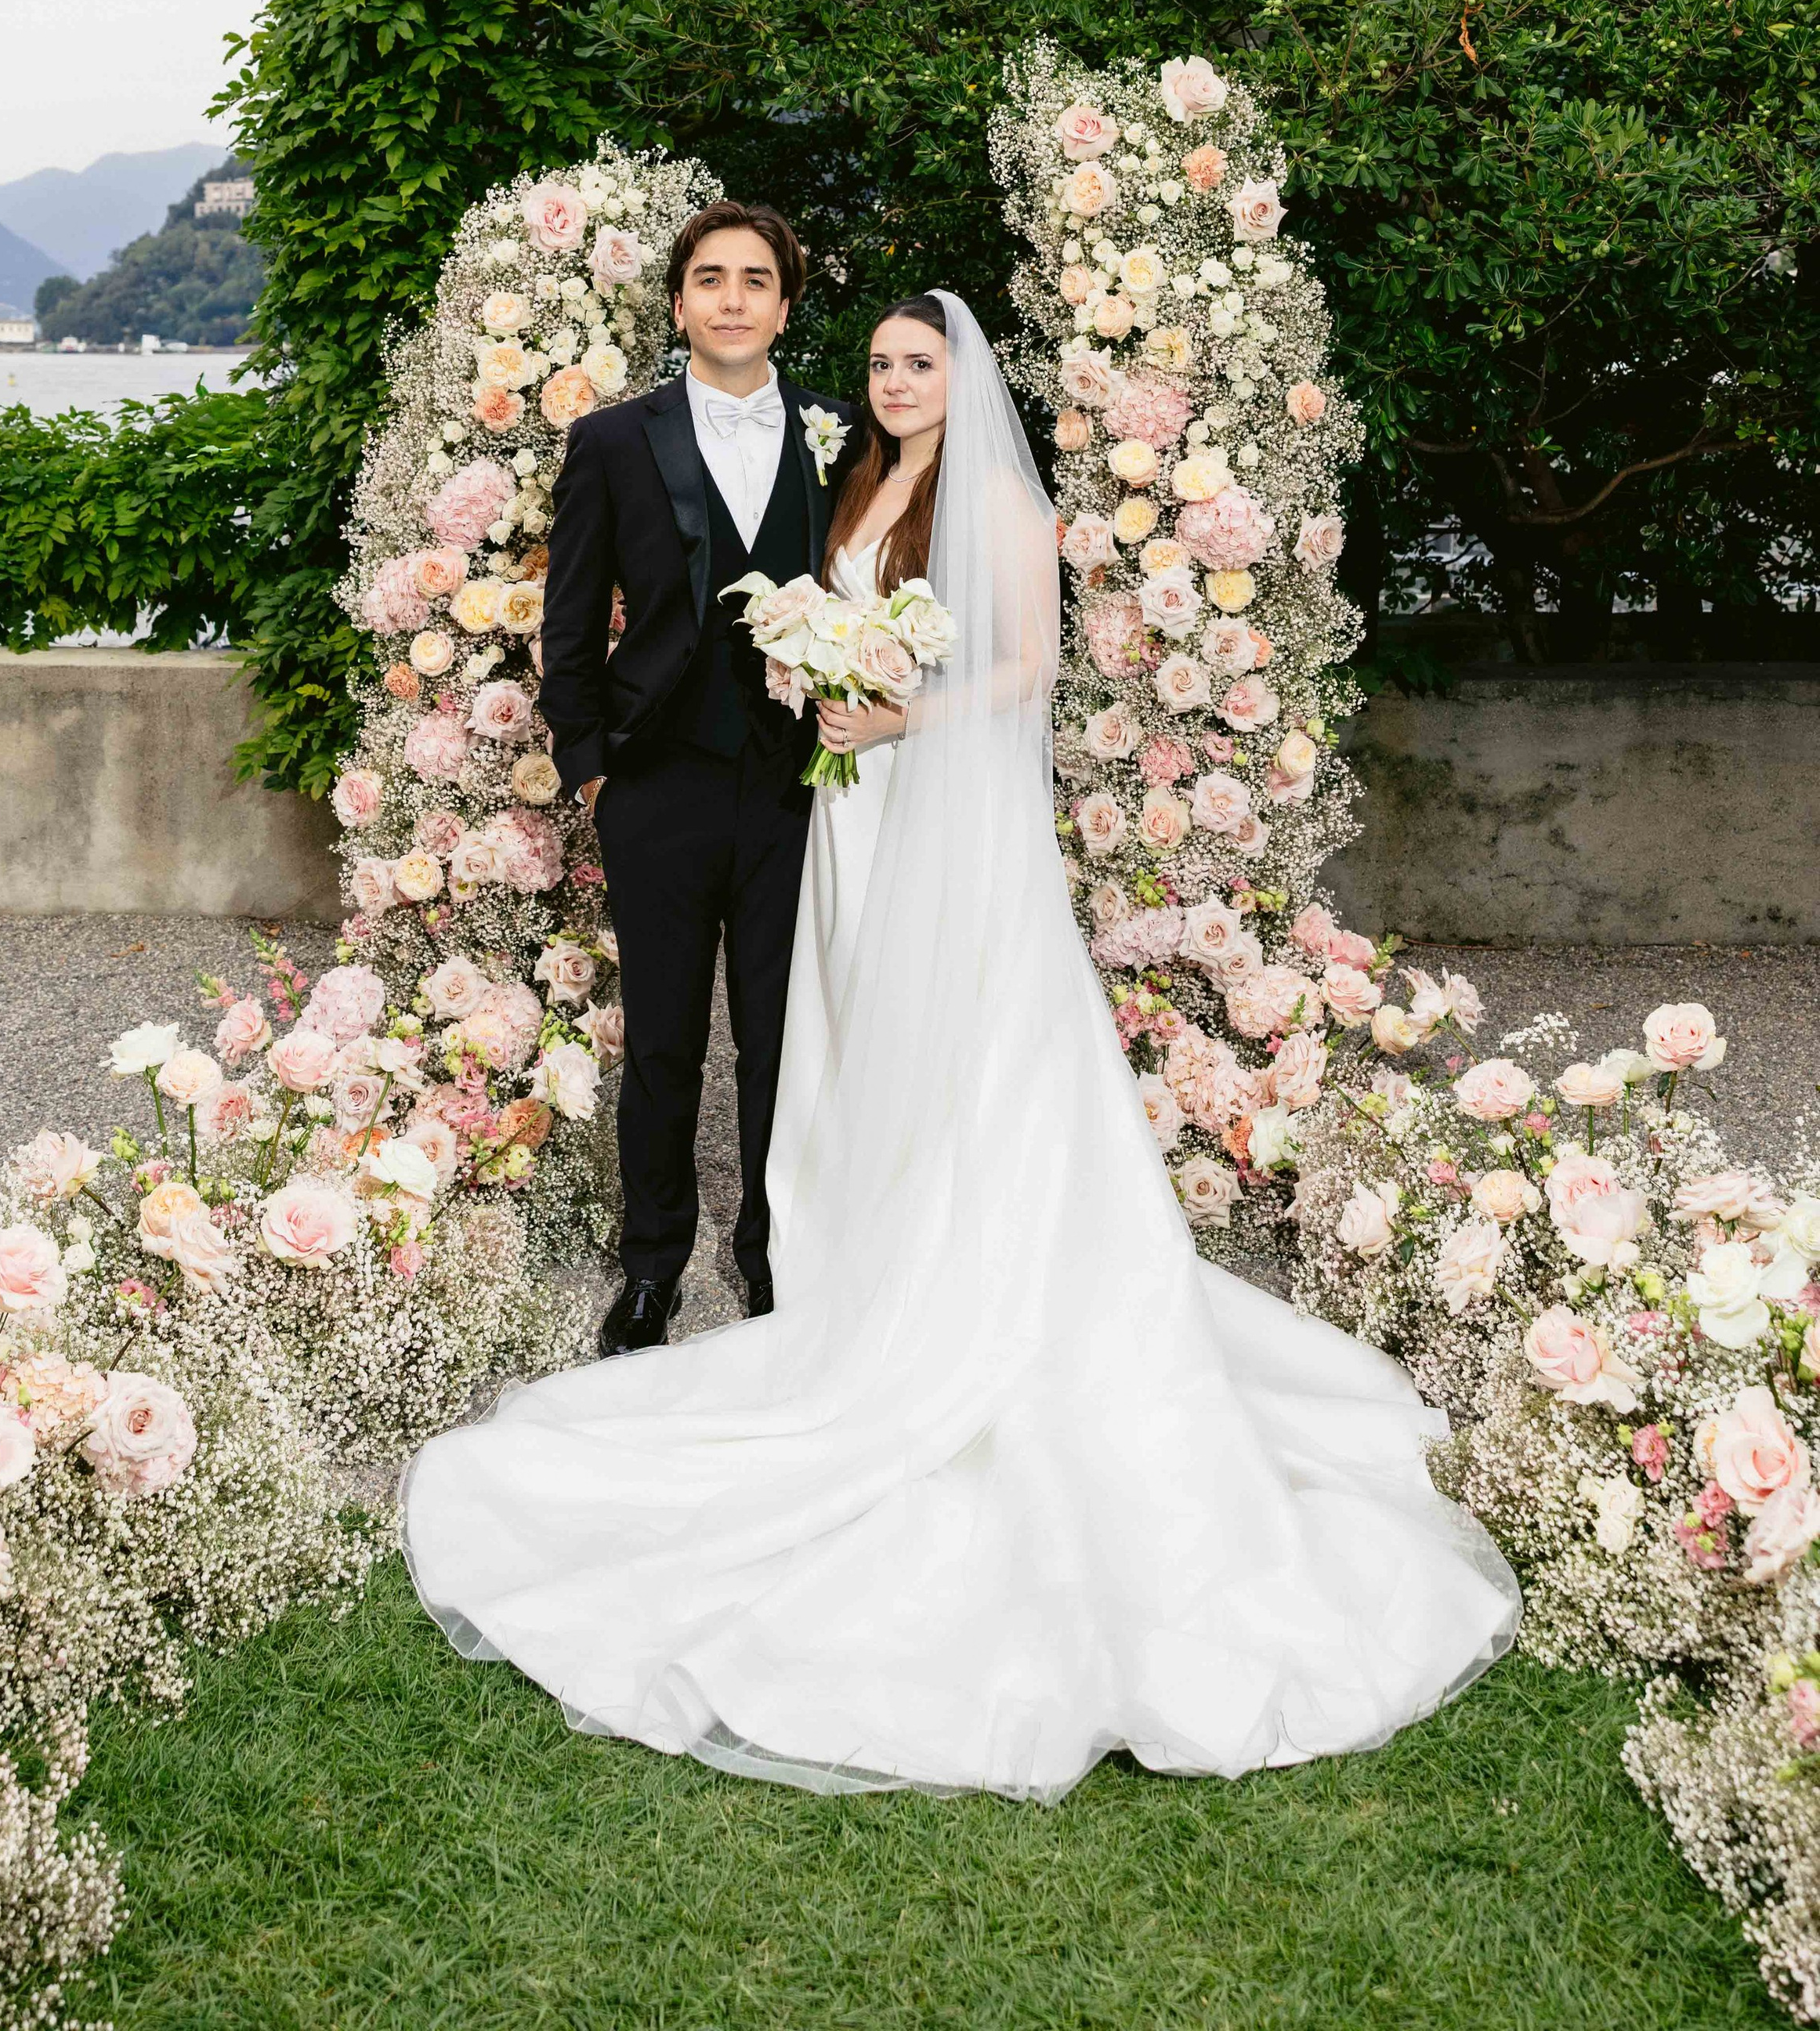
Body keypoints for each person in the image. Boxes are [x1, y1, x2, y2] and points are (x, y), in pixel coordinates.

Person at [405, 291, 1520, 1798]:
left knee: (979, 1050)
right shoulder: (853, 481)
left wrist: (895, 718)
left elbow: (1029, 671)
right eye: (877, 364)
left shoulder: (992, 495)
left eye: (919, 362)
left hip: (943, 816)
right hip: (855, 828)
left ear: (963, 376)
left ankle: (966, 1289)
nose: (895, 381)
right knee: (860, 1050)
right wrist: (815, 688)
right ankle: (850, 1264)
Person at [536, 199, 850, 1356]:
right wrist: (592, 775)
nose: (731, 298)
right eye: (709, 278)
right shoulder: (615, 441)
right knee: (663, 1040)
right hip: (656, 785)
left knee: (783, 1040)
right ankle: (652, 1271)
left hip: (798, 787)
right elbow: (567, 626)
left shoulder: (839, 431)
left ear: (784, 302)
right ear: (678, 303)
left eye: (754, 279)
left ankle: (777, 1262)